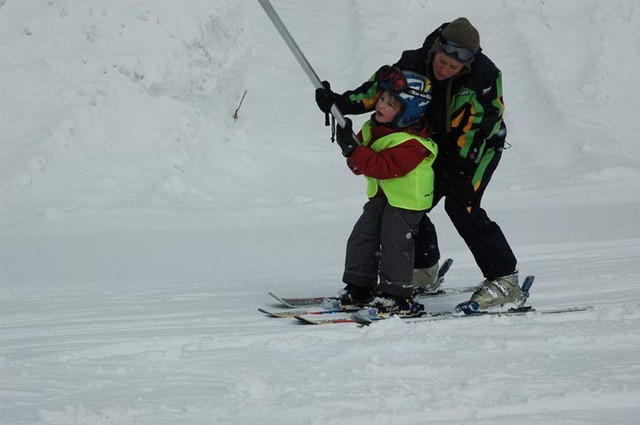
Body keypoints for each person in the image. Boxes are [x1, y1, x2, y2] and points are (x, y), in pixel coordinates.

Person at [315, 17, 520, 312]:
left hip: (476, 148)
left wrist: (462, 167)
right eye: (442, 61)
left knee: (462, 205)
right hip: (430, 142)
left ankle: (504, 279)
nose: (444, 70)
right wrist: (340, 103)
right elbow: (379, 91)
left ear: (467, 65)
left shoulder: (484, 75)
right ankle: (424, 268)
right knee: (410, 203)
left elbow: (485, 121)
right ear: (435, 49)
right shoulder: (413, 61)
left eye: (453, 67)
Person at [332, 68, 438, 314]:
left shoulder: (412, 143)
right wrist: (349, 145)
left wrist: (354, 151)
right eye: (382, 98)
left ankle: (396, 293)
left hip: (408, 202)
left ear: (408, 112)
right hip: (383, 197)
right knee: (363, 234)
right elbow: (360, 164)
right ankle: (359, 286)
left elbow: (383, 167)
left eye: (391, 104)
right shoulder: (372, 128)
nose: (381, 105)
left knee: (395, 242)